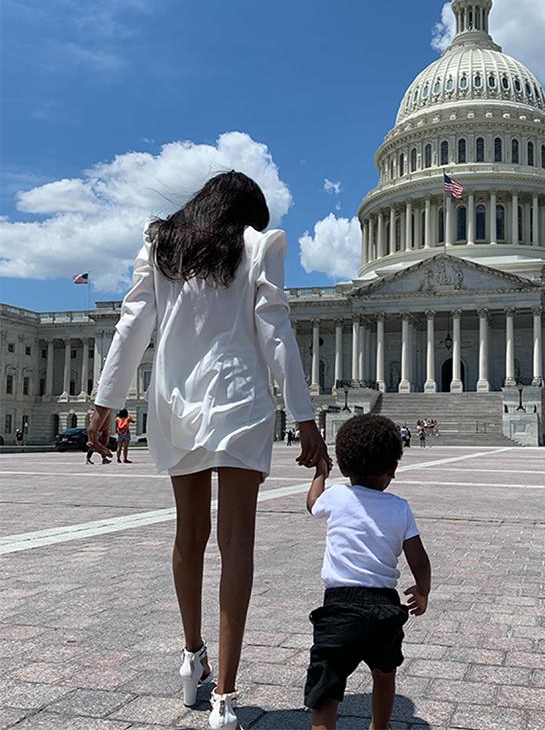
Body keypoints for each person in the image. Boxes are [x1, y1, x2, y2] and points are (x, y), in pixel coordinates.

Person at [87, 171, 328, 730]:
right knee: (236, 540)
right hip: (240, 399)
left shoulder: (161, 245)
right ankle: (225, 692)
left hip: (176, 401)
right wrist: (305, 415)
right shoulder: (258, 245)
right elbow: (275, 331)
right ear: (246, 211)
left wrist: (107, 399)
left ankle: (191, 653)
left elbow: (133, 324)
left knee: (188, 533)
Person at [304, 414, 431, 730]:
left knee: (326, 691)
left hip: (337, 607)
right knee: (385, 674)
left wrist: (321, 473)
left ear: (345, 469)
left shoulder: (335, 495)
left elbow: (312, 503)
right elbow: (420, 559)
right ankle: (378, 727)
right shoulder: (399, 507)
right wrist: (422, 591)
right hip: (383, 608)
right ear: (394, 469)